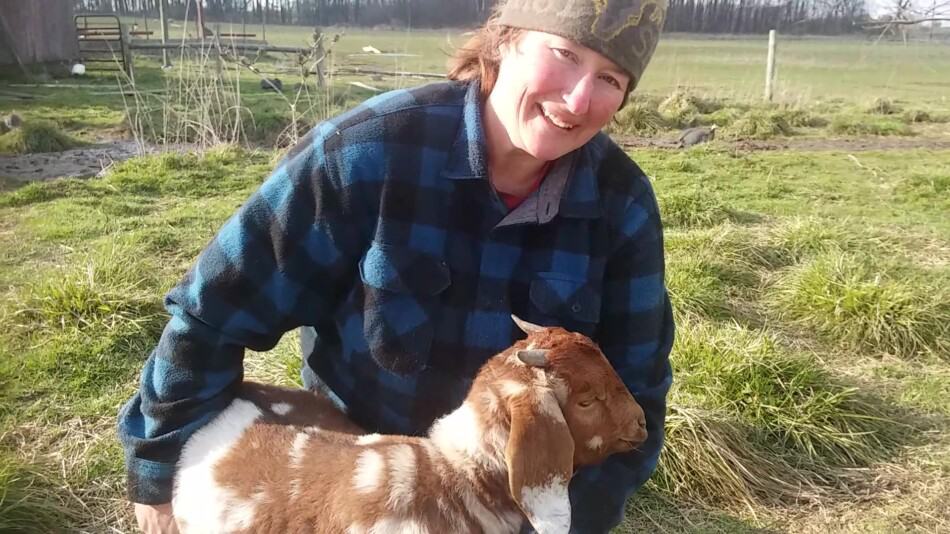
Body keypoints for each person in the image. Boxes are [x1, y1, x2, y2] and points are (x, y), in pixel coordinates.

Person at [120, 0, 674, 532]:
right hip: (350, 480)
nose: (578, 100)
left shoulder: (620, 205)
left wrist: (566, 522)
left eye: (610, 80)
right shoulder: (364, 153)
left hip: (509, 500)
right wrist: (157, 472)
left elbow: (637, 396)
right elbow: (211, 316)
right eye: (566, 55)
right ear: (505, 41)